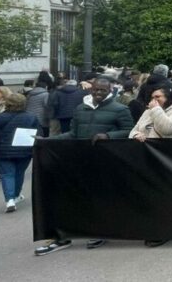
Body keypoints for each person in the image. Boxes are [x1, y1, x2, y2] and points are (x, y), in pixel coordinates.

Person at [36, 76, 134, 255]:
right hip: (79, 161)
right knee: (72, 198)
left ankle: (100, 231)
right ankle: (63, 236)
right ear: (91, 89)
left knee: (99, 198)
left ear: (110, 90)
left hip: (105, 162)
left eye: (102, 90)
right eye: (96, 89)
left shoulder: (120, 109)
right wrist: (48, 141)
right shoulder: (80, 109)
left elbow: (130, 131)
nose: (98, 93)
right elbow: (73, 134)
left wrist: (109, 136)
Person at [0, 94, 38, 212]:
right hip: (23, 149)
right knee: (19, 173)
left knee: (7, 174)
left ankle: (9, 200)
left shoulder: (0, 118)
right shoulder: (31, 117)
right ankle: (16, 195)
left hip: (2, 150)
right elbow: (37, 132)